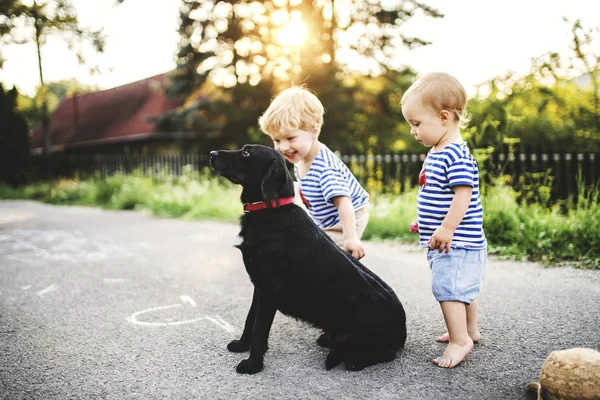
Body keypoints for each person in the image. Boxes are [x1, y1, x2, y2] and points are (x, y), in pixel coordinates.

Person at [401, 72, 487, 368]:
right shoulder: (439, 151)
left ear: (443, 117)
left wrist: (447, 227)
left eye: (416, 123)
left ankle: (459, 339)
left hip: (458, 241)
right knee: (462, 287)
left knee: (448, 288)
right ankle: (470, 330)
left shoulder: (455, 155)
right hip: (453, 239)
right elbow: (437, 196)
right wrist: (424, 222)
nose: (413, 131)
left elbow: (464, 195)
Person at [258, 86, 370, 260]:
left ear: (314, 132)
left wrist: (350, 238)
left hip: (347, 218)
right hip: (327, 217)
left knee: (322, 256)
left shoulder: (325, 168)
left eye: (290, 138)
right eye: (277, 140)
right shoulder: (301, 158)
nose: (283, 147)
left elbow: (344, 203)